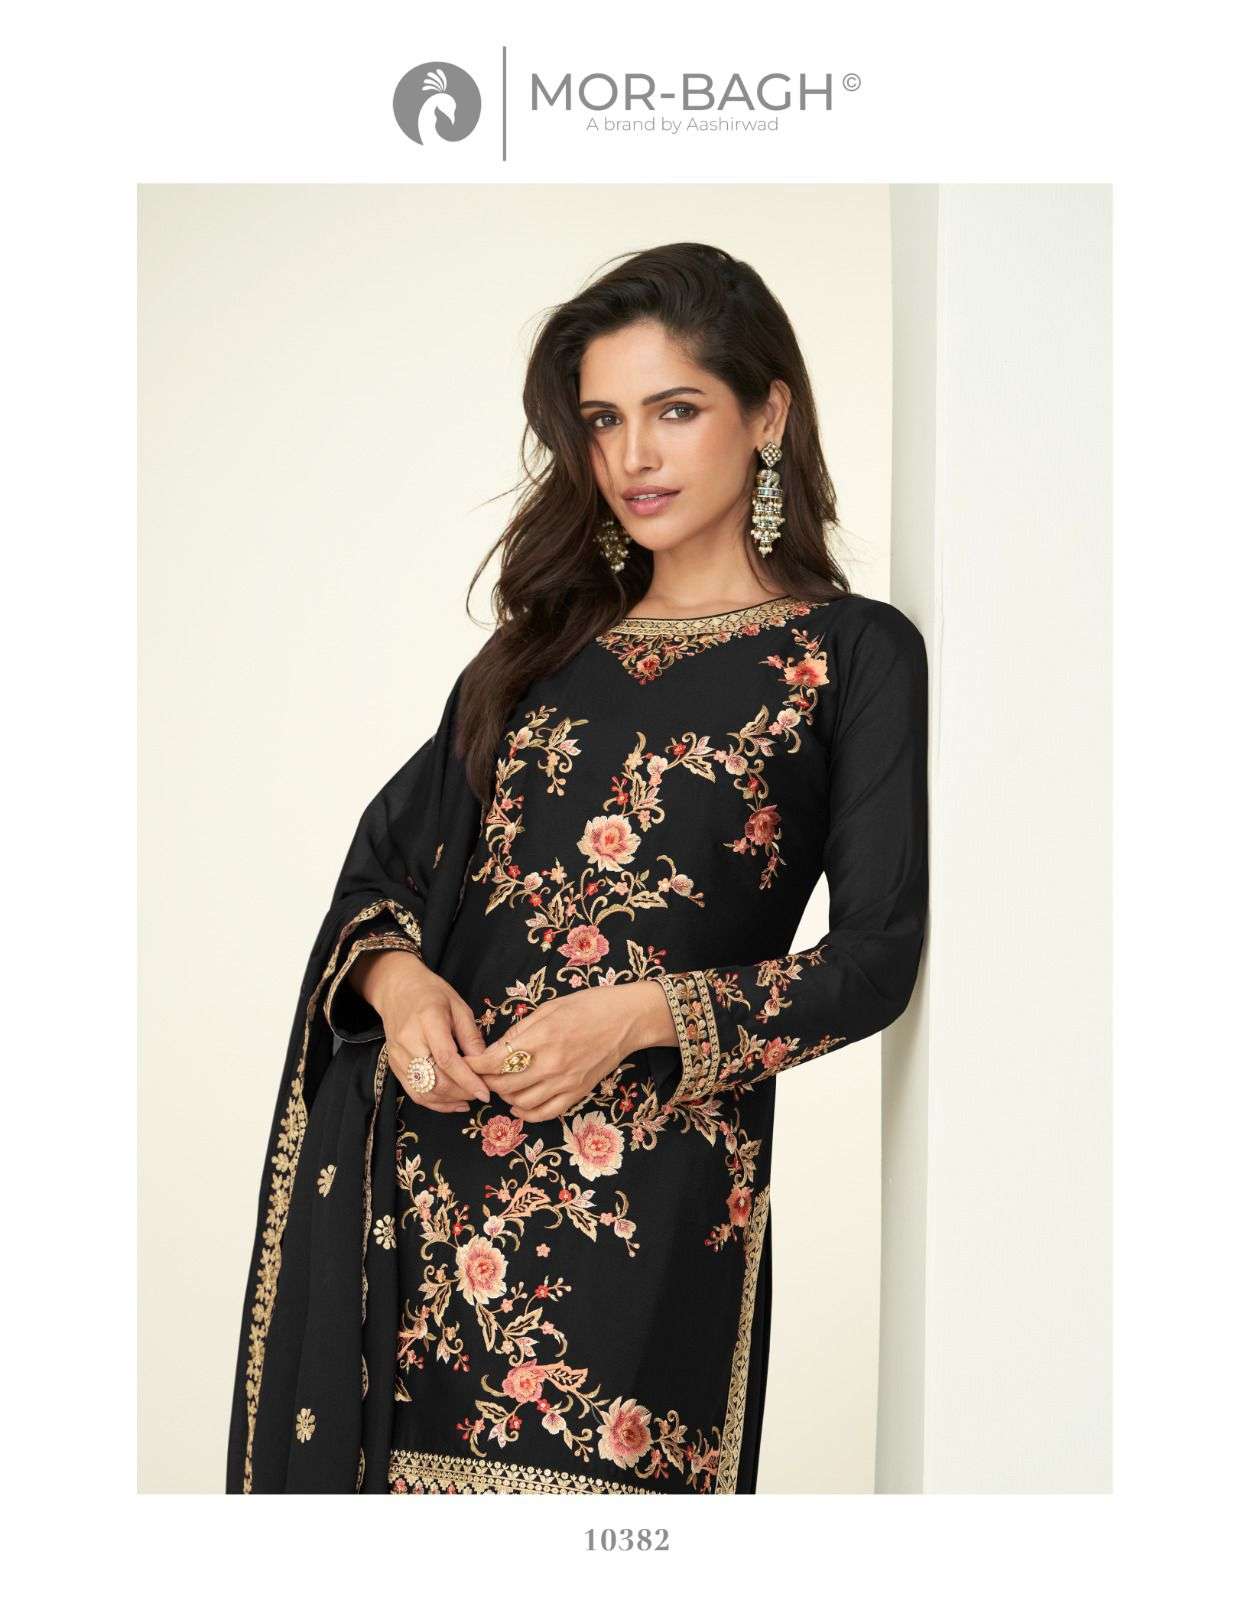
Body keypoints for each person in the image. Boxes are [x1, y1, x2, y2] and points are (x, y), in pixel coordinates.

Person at [226, 241, 929, 1495]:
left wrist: (641, 1014)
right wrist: (398, 989)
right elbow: (381, 875)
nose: (635, 455)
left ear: (768, 413)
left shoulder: (847, 654)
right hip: (421, 1206)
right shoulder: (538, 656)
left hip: (646, 1218)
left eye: (676, 410)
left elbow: (874, 962)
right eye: (604, 420)